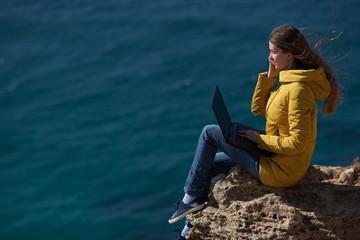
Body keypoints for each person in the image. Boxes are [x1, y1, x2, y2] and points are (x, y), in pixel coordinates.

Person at [169, 25, 342, 239]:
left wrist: (259, 139)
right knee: (210, 165)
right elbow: (258, 109)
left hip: (281, 170)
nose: (269, 56)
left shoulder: (298, 91)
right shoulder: (286, 82)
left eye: (273, 52)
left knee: (210, 132)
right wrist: (269, 77)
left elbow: (298, 143)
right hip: (274, 155)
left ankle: (188, 199)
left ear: (289, 55)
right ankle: (188, 230)